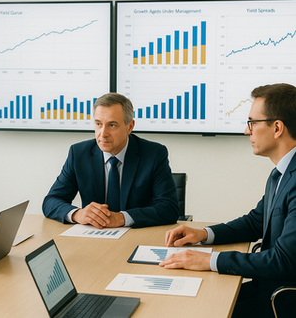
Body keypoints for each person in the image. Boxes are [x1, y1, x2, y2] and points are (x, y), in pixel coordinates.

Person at [160, 83, 296, 317]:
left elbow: (283, 260)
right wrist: (204, 234)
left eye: (252, 123)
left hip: (282, 301)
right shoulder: (282, 173)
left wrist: (210, 260)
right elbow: (256, 221)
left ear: (277, 128)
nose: (247, 131)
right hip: (269, 288)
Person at [42, 92, 179, 229]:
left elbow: (169, 208)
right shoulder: (78, 154)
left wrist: (122, 218)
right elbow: (51, 201)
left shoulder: (154, 154)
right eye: (98, 124)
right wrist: (78, 214)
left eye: (112, 125)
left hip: (136, 236)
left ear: (129, 127)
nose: (103, 133)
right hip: (93, 237)